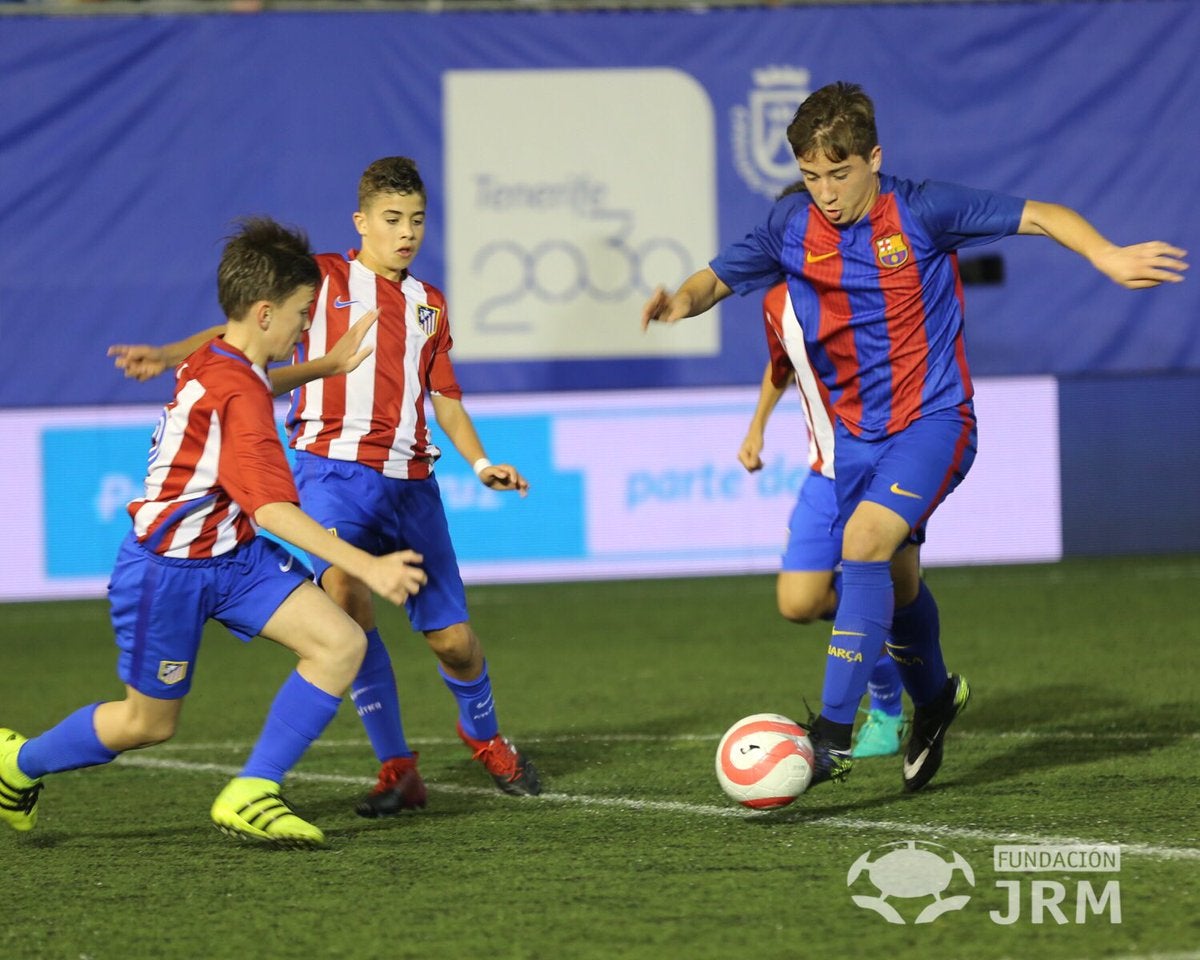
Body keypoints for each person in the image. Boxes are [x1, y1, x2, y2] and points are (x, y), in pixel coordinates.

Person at [643, 81, 1187, 793]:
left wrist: (1106, 255)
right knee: (898, 590)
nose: (826, 193)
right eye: (811, 176)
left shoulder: (923, 210)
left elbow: (1039, 214)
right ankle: (934, 701)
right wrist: (680, 301)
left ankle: (831, 738)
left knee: (862, 543)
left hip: (935, 421)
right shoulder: (790, 227)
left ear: (874, 158)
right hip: (856, 440)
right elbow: (716, 280)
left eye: (839, 174)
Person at [109, 157, 541, 813]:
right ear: (361, 221)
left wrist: (482, 464)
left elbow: (444, 395)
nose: (406, 232)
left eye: (417, 220)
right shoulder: (324, 280)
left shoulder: (430, 304)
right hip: (330, 470)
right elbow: (241, 330)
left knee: (453, 642)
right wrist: (169, 355)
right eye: (392, 219)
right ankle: (397, 766)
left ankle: (484, 736)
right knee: (346, 603)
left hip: (412, 484)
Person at [0, 218, 427, 846]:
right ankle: (17, 763)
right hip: (166, 572)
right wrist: (369, 566)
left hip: (235, 560)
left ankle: (253, 791)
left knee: (340, 643)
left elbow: (253, 375)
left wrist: (326, 366)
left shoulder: (221, 356)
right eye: (301, 313)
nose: (306, 325)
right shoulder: (240, 398)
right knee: (148, 724)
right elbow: (274, 511)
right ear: (264, 312)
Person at [739, 280, 906, 759]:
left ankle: (888, 708)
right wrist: (756, 428)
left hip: (881, 471)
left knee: (893, 593)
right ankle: (873, 616)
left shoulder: (867, 283)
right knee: (798, 603)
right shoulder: (778, 301)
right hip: (825, 475)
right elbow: (781, 364)